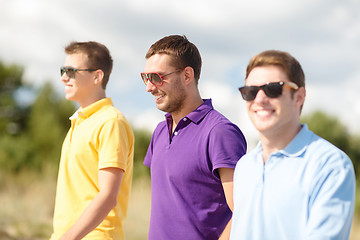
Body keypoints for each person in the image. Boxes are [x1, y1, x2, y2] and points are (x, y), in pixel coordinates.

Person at [230, 50, 356, 240]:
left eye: (273, 89)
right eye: (250, 92)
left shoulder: (330, 165)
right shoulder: (244, 167)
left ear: (299, 97)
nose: (260, 99)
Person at [141, 35, 247, 239]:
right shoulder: (160, 132)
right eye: (145, 78)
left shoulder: (220, 132)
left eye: (156, 77)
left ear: (187, 75)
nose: (149, 87)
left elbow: (244, 213)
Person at [50, 41, 134, 240]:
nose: (63, 78)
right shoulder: (79, 121)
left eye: (70, 71)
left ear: (97, 76)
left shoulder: (111, 122)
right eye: (63, 70)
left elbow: (107, 197)